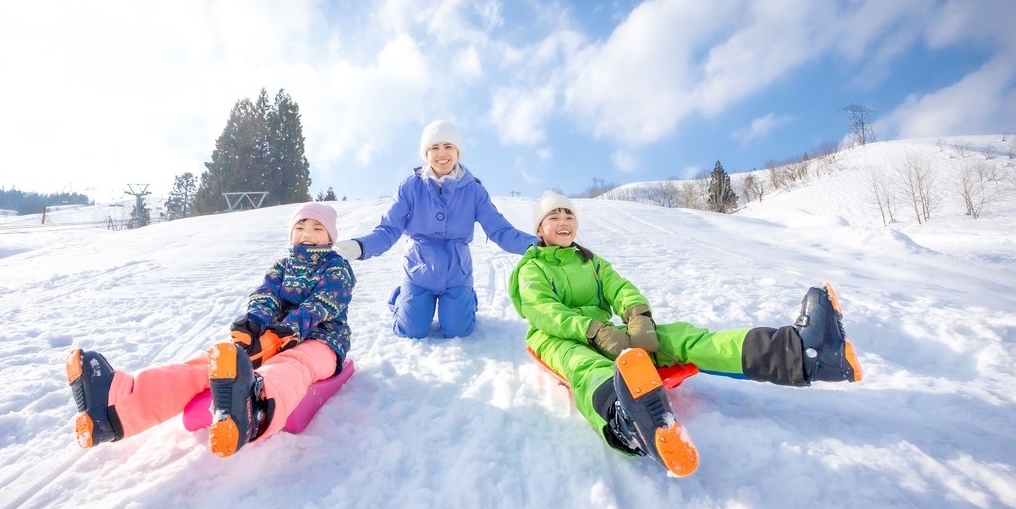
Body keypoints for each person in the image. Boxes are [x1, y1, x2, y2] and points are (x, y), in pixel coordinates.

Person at [508, 191, 862, 476]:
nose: (564, 221)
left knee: (680, 338)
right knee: (585, 366)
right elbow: (544, 311)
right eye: (554, 216)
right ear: (540, 228)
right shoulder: (532, 267)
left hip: (609, 332)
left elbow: (622, 290)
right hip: (556, 337)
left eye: (569, 215)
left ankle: (802, 352)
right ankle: (628, 420)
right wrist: (592, 330)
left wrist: (638, 319)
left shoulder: (593, 263)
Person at [65, 203, 355, 458]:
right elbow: (266, 296)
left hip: (321, 342)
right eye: (301, 225)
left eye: (317, 228)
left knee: (292, 364)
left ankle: (254, 408)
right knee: (213, 363)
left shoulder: (336, 268)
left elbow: (322, 304)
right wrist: (255, 323)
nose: (307, 232)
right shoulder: (282, 266)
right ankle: (116, 407)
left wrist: (288, 329)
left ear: (330, 237)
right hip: (274, 336)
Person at [333, 119, 536, 339]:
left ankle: (467, 297)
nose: (442, 153)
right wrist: (360, 247)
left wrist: (537, 245)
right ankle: (403, 296)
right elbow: (388, 229)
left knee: (458, 330)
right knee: (410, 330)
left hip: (457, 273)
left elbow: (500, 230)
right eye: (434, 147)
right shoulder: (411, 186)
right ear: (426, 154)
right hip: (419, 271)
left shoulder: (474, 190)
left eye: (448, 146)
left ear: (458, 152)